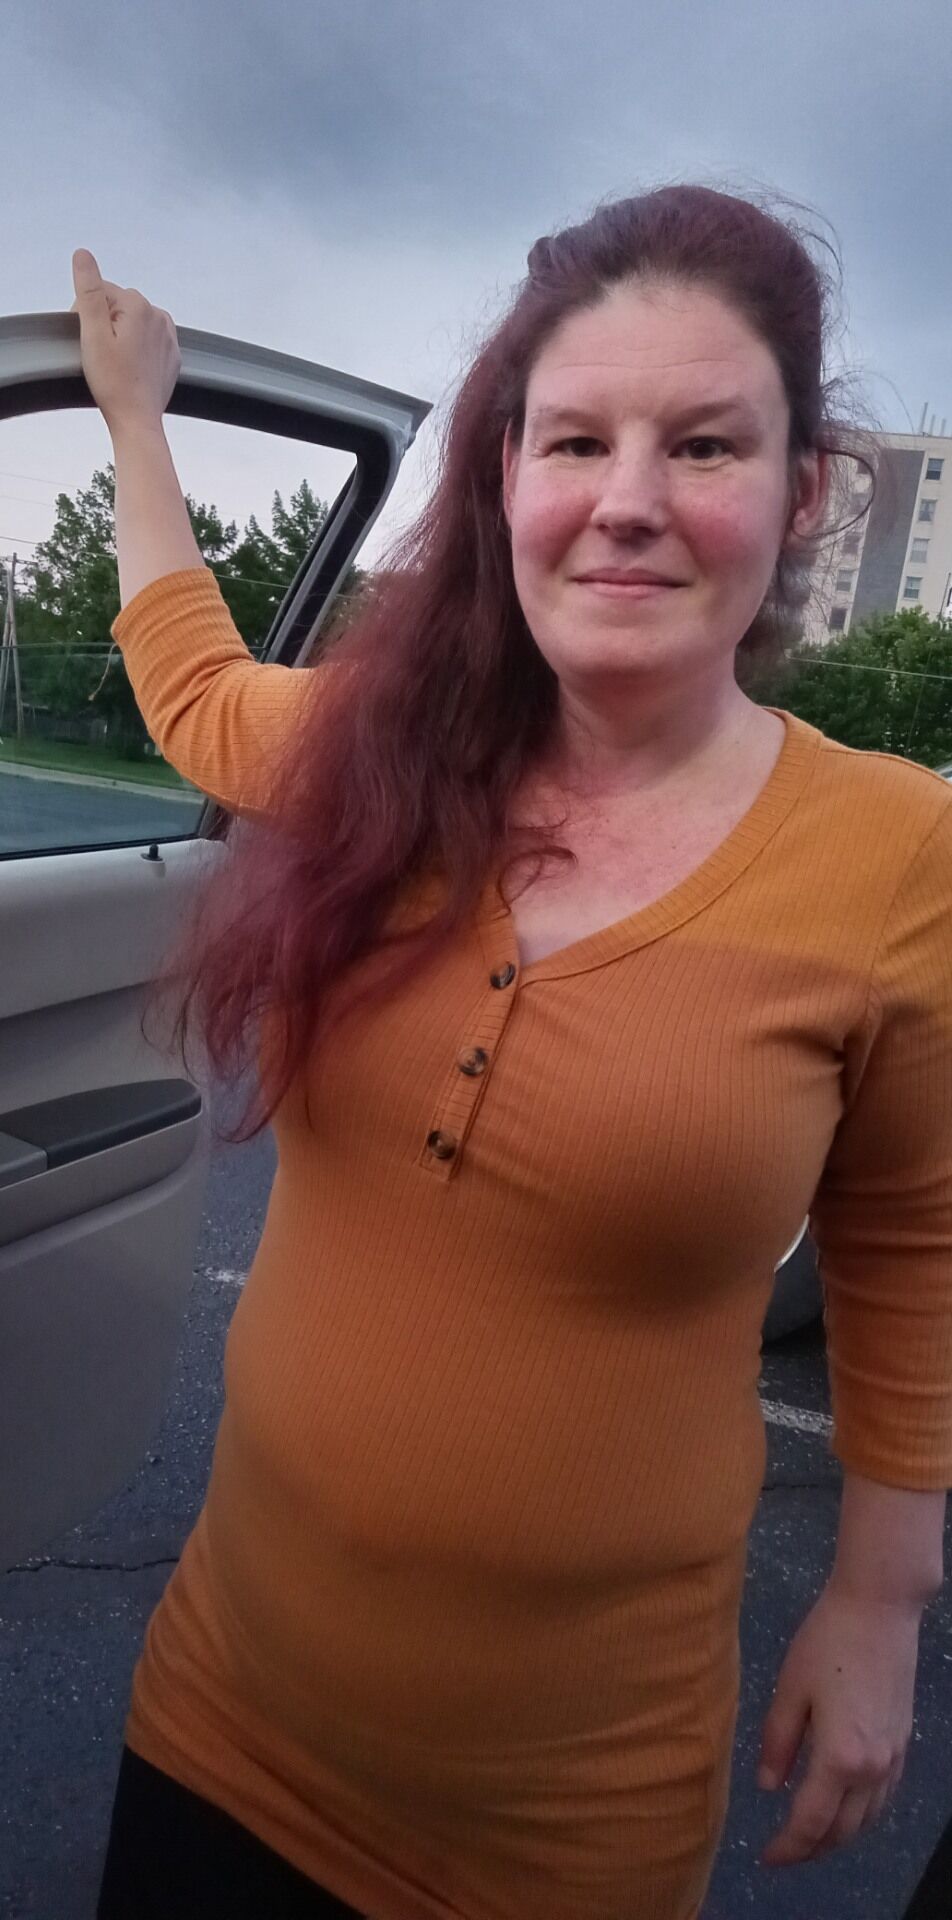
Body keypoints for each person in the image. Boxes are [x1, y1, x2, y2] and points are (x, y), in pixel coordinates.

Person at [70, 185, 950, 1920]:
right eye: (576, 440)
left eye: (705, 443)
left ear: (804, 493)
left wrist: (878, 1603)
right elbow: (193, 683)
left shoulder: (902, 854)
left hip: (559, 1824)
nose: (628, 499)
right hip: (220, 1712)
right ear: (505, 480)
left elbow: (913, 1240)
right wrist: (133, 419)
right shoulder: (376, 757)